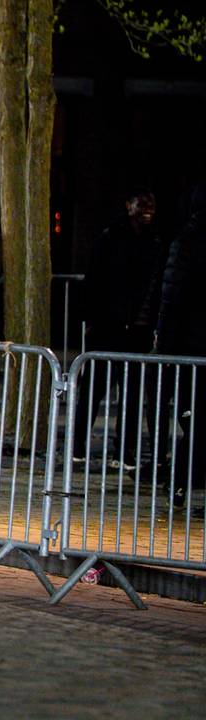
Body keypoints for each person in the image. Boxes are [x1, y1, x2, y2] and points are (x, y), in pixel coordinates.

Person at [71, 187, 166, 470]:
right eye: (142, 202)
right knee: (93, 389)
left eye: (151, 203)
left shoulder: (154, 242)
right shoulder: (111, 237)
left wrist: (150, 324)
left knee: (132, 394)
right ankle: (77, 447)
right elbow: (94, 280)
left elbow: (154, 287)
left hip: (136, 330)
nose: (147, 208)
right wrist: (90, 319)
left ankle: (124, 452)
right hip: (108, 326)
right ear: (128, 205)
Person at [156, 183, 206, 516]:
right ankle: (180, 481)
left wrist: (166, 345)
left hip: (190, 348)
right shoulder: (187, 243)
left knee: (193, 421)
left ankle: (179, 483)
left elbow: (171, 298)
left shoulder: (185, 242)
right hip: (192, 345)